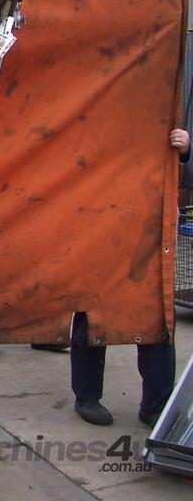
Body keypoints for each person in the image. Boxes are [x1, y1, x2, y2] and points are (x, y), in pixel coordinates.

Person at [70, 127, 187, 426]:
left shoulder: (169, 106)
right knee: (93, 307)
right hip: (100, 216)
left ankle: (156, 404)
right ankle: (86, 395)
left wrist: (187, 150)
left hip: (151, 222)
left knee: (156, 313)